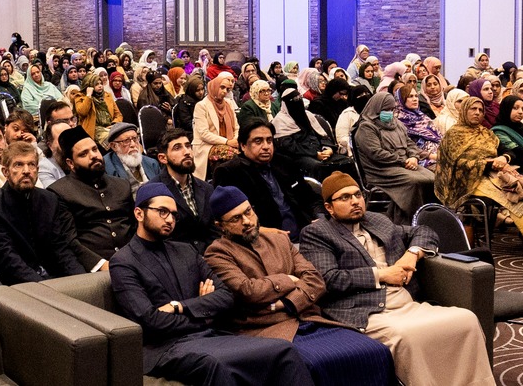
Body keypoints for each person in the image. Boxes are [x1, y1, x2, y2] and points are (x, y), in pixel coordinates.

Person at [107, 184, 316, 386]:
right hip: (165, 348)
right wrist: (204, 314)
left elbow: (227, 297)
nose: (170, 219)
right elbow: (150, 321)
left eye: (173, 214)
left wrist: (181, 307)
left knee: (283, 350)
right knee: (217, 365)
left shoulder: (186, 250)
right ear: (139, 213)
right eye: (162, 212)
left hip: (210, 337)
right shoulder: (124, 261)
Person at [297, 174, 493, 386]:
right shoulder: (317, 233)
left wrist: (413, 253)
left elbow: (423, 231)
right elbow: (328, 279)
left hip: (405, 301)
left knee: (466, 319)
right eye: (344, 198)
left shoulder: (377, 220)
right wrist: (381, 274)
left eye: (357, 195)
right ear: (329, 208)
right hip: (365, 310)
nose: (355, 201)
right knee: (410, 336)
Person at [201, 187, 391, 385]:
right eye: (235, 219)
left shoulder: (279, 239)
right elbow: (248, 291)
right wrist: (288, 279)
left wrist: (288, 303)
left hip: (309, 318)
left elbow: (315, 280)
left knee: (375, 351)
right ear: (220, 226)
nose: (247, 221)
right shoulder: (217, 253)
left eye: (248, 212)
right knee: (315, 363)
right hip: (266, 330)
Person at [434, 96, 523, 251]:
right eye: (473, 109)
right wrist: (488, 163)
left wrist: (504, 157)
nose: (477, 113)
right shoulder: (454, 135)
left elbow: (508, 151)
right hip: (467, 182)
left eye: (480, 110)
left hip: (493, 176)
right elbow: (456, 163)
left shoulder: (486, 133)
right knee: (514, 199)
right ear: (463, 111)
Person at [0, 142, 84, 284]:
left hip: (56, 278)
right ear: (5, 172)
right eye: (18, 165)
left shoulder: (50, 199)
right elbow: (7, 258)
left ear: (37, 170)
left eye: (31, 165)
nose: (26, 170)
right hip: (20, 286)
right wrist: (45, 287)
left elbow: (61, 248)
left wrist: (82, 280)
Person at [49, 127, 134, 268]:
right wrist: (101, 265)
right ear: (71, 163)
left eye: (95, 149)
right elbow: (69, 240)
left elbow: (135, 226)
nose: (93, 155)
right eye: (83, 154)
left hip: (134, 260)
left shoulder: (121, 185)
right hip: (95, 269)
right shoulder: (59, 192)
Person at [210, 122, 309, 233]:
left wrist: (318, 217)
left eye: (269, 140)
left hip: (305, 232)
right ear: (243, 146)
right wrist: (265, 232)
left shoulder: (284, 162)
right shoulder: (229, 172)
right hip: (262, 239)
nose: (266, 147)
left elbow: (311, 197)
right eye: (258, 141)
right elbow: (229, 220)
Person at [351, 92, 433, 223]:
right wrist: (403, 160)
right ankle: (411, 219)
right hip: (381, 170)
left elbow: (410, 144)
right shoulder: (366, 127)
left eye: (392, 109)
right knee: (414, 181)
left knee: (432, 178)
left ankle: (430, 217)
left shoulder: (397, 124)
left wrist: (414, 157)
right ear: (377, 108)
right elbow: (376, 153)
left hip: (404, 164)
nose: (389, 113)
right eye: (386, 110)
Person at [191, 74, 240, 178]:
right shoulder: (201, 106)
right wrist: (227, 142)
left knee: (249, 151)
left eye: (227, 89)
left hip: (230, 142)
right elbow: (204, 134)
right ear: (214, 87)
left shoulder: (228, 104)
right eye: (222, 87)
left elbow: (236, 127)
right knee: (235, 155)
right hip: (207, 146)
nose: (224, 91)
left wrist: (235, 140)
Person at [102, 124, 158, 189]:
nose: (133, 145)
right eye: (126, 141)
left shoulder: (152, 163)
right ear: (114, 146)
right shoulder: (106, 168)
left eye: (135, 139)